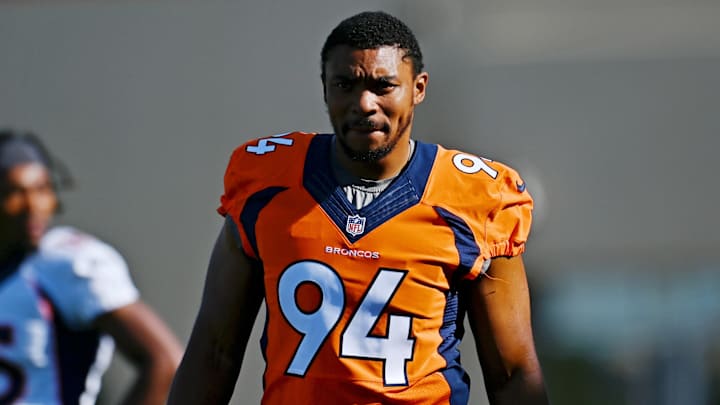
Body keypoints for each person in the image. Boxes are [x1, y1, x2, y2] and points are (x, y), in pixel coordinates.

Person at [168, 10, 548, 405]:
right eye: (345, 85)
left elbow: (513, 373)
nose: (364, 103)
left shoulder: (477, 198)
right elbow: (213, 352)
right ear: (324, 88)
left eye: (383, 86)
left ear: (418, 88)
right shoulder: (267, 183)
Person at [0, 129, 182, 404]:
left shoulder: (63, 263)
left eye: (42, 189)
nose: (33, 205)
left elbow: (164, 361)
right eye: (15, 192)